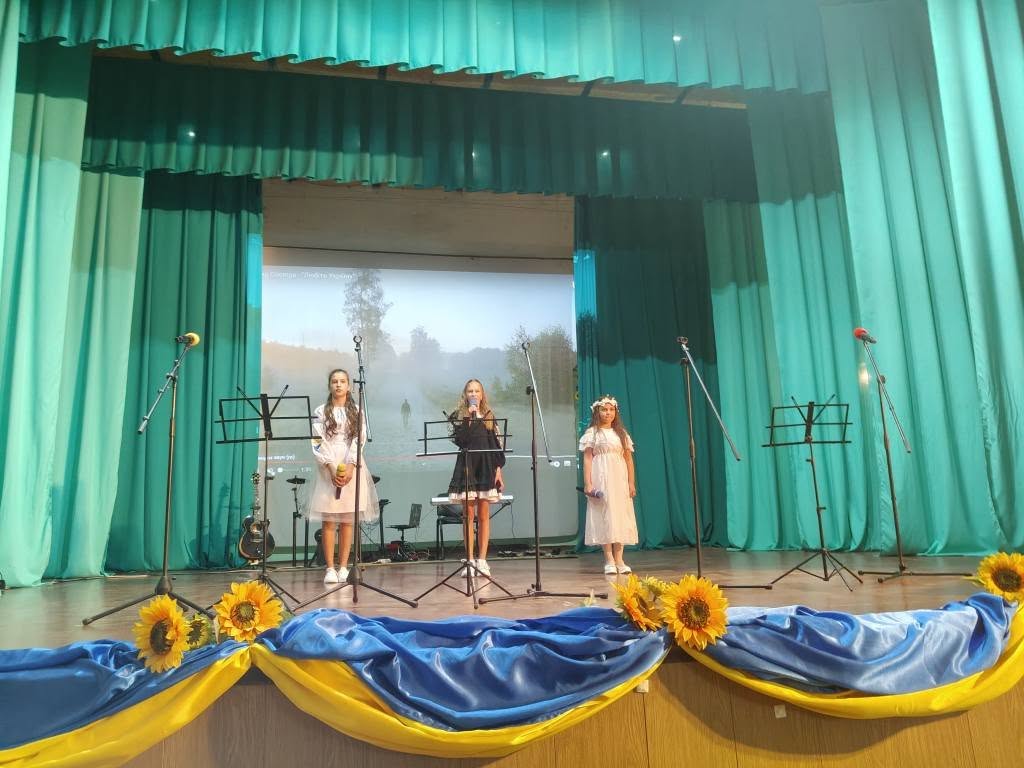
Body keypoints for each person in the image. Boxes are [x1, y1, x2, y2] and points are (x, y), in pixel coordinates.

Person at [309, 368, 379, 584]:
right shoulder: (321, 411)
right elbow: (317, 440)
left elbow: (360, 439)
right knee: (329, 519)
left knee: (348, 519)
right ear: (329, 386)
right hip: (328, 463)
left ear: (349, 386)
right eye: (334, 381)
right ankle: (330, 568)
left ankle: (343, 567)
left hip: (352, 464)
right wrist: (331, 467)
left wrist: (350, 466)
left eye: (342, 381)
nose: (338, 385)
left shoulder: (357, 411)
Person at [447, 379, 505, 576]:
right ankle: (469, 561)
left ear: (482, 395)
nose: (473, 394)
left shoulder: (489, 416)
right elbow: (460, 441)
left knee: (483, 515)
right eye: (470, 391)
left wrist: (498, 471)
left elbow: (497, 447)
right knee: (468, 515)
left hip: (486, 467)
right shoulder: (460, 416)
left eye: (477, 391)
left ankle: (482, 561)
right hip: (467, 467)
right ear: (465, 395)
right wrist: (468, 419)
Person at [579, 394, 637, 575]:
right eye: (604, 409)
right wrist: (588, 483)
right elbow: (588, 458)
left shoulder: (621, 434)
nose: (608, 413)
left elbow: (628, 459)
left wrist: (631, 482)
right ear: (597, 412)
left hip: (619, 478)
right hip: (601, 476)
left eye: (611, 410)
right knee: (605, 515)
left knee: (620, 515)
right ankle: (609, 559)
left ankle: (619, 559)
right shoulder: (592, 433)